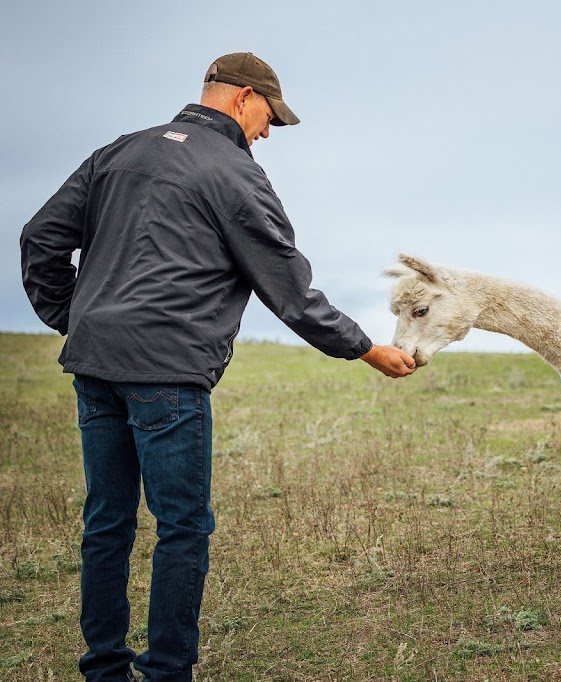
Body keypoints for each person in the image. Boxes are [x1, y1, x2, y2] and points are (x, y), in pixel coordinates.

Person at [20, 52, 416, 681]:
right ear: (240, 99)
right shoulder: (235, 174)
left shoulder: (118, 152)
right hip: (167, 377)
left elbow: (39, 238)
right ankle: (169, 673)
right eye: (268, 118)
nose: (266, 133)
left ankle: (103, 671)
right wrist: (364, 347)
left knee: (107, 522)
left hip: (97, 366)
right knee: (182, 527)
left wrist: (76, 319)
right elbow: (288, 287)